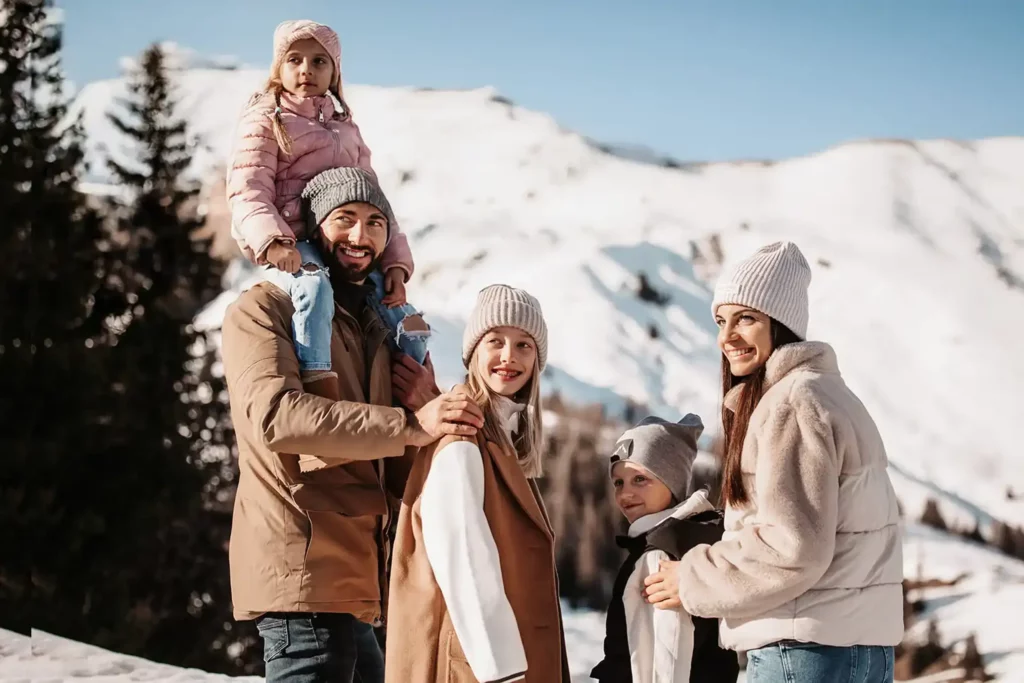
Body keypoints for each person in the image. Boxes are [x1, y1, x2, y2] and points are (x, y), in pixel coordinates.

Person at [221, 166, 483, 683]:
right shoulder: (262, 311)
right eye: (345, 219)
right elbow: (277, 417)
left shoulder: (379, 329)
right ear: (315, 228)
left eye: (374, 223)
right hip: (305, 567)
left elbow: (399, 451)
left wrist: (428, 410)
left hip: (360, 573)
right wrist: (409, 425)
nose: (360, 237)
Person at [642, 242, 903, 682]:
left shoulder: (793, 402)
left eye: (746, 318)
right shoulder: (832, 395)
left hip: (801, 652)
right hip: (862, 652)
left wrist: (691, 578)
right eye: (721, 321)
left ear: (779, 323)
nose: (727, 337)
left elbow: (793, 547)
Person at [226, 19, 427, 405]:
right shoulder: (267, 122)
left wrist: (396, 264)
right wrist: (273, 241)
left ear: (334, 72)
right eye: (295, 59)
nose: (306, 70)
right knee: (313, 289)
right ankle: (319, 386)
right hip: (294, 241)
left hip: (342, 239)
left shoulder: (345, 128)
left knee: (406, 317)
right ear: (278, 67)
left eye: (320, 61)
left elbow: (375, 201)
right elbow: (247, 188)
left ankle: (414, 396)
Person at [384, 285, 570, 683]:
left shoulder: (496, 438)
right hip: (481, 668)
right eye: (495, 342)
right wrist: (501, 670)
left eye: (524, 345)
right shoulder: (462, 442)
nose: (509, 357)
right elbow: (464, 559)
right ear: (473, 354)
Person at [590, 414, 739, 683]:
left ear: (671, 482)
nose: (625, 494)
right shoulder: (699, 541)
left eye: (640, 479)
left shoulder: (660, 555)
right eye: (618, 482)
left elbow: (664, 662)